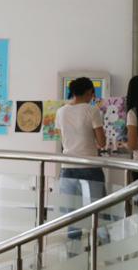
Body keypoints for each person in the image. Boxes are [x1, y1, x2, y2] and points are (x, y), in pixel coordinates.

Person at [56, 77, 106, 239]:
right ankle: (102, 245)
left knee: (72, 216)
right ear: (90, 92)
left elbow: (63, 140)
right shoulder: (92, 110)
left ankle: (73, 249)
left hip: (67, 168)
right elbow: (102, 142)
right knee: (98, 210)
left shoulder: (61, 111)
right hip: (90, 166)